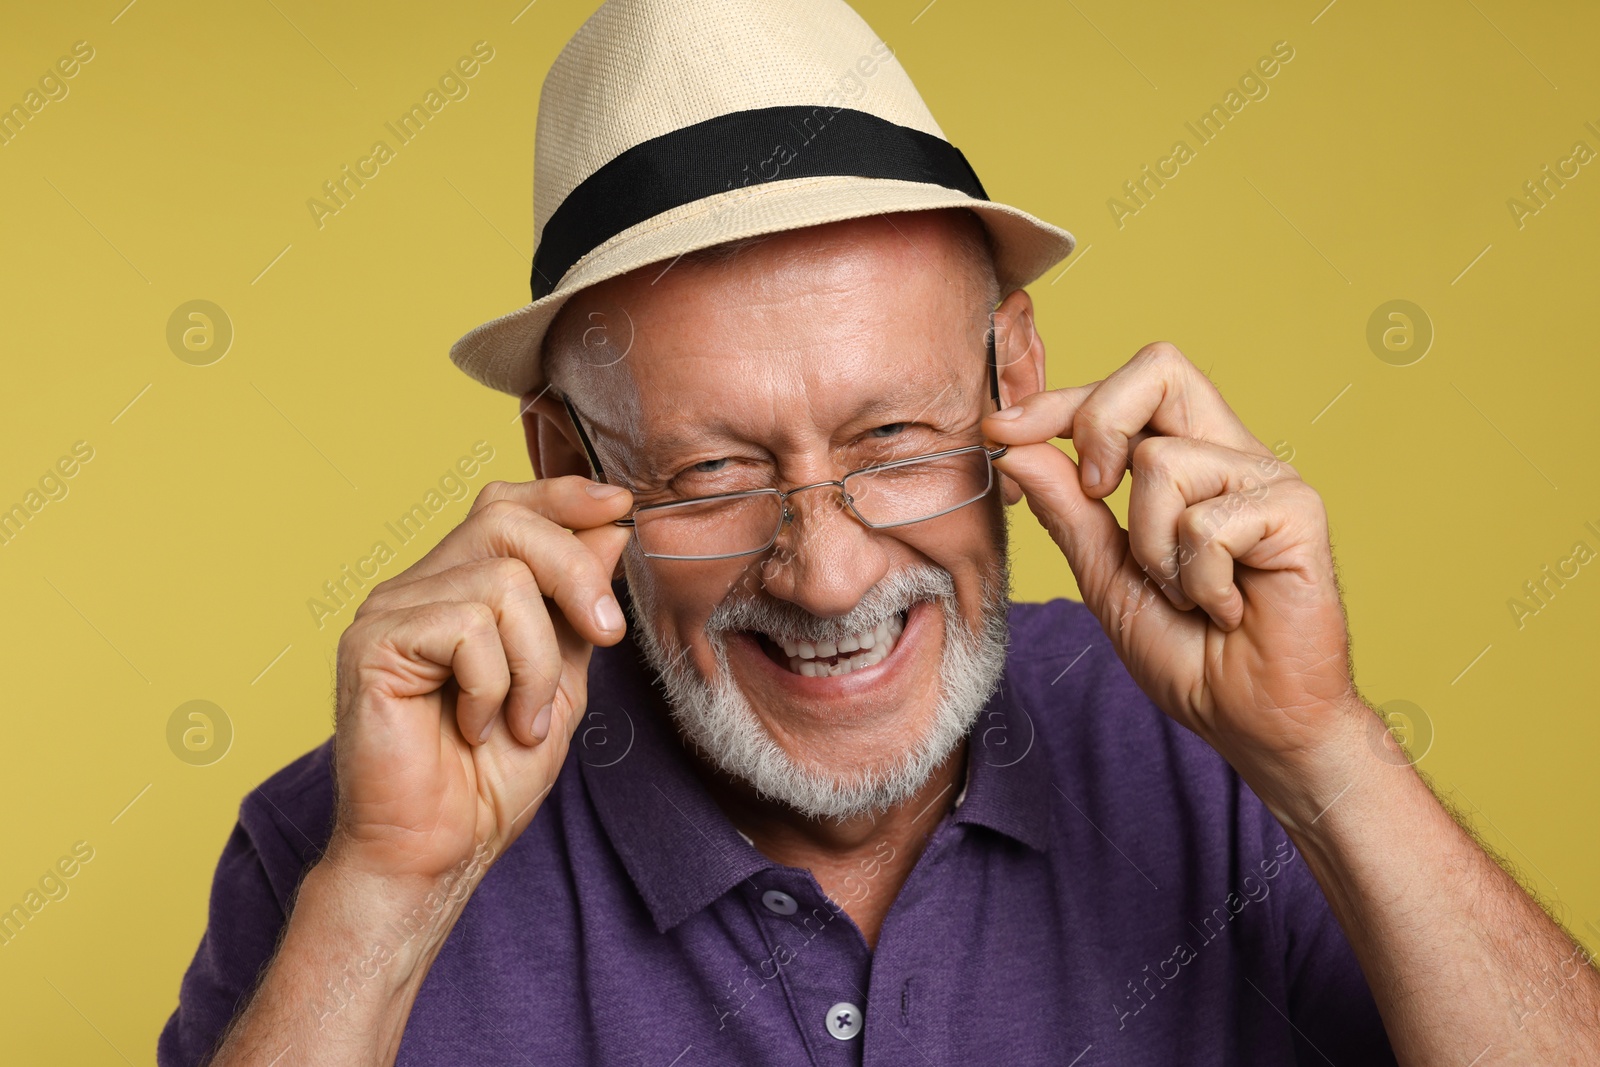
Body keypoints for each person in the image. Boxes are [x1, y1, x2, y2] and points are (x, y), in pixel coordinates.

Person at [159, 0, 1600, 1064]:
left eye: (892, 441)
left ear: (1014, 382)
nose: (829, 571)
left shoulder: (1225, 761)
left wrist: (1327, 758)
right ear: (562, 463)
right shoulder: (350, 845)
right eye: (711, 472)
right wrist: (385, 908)